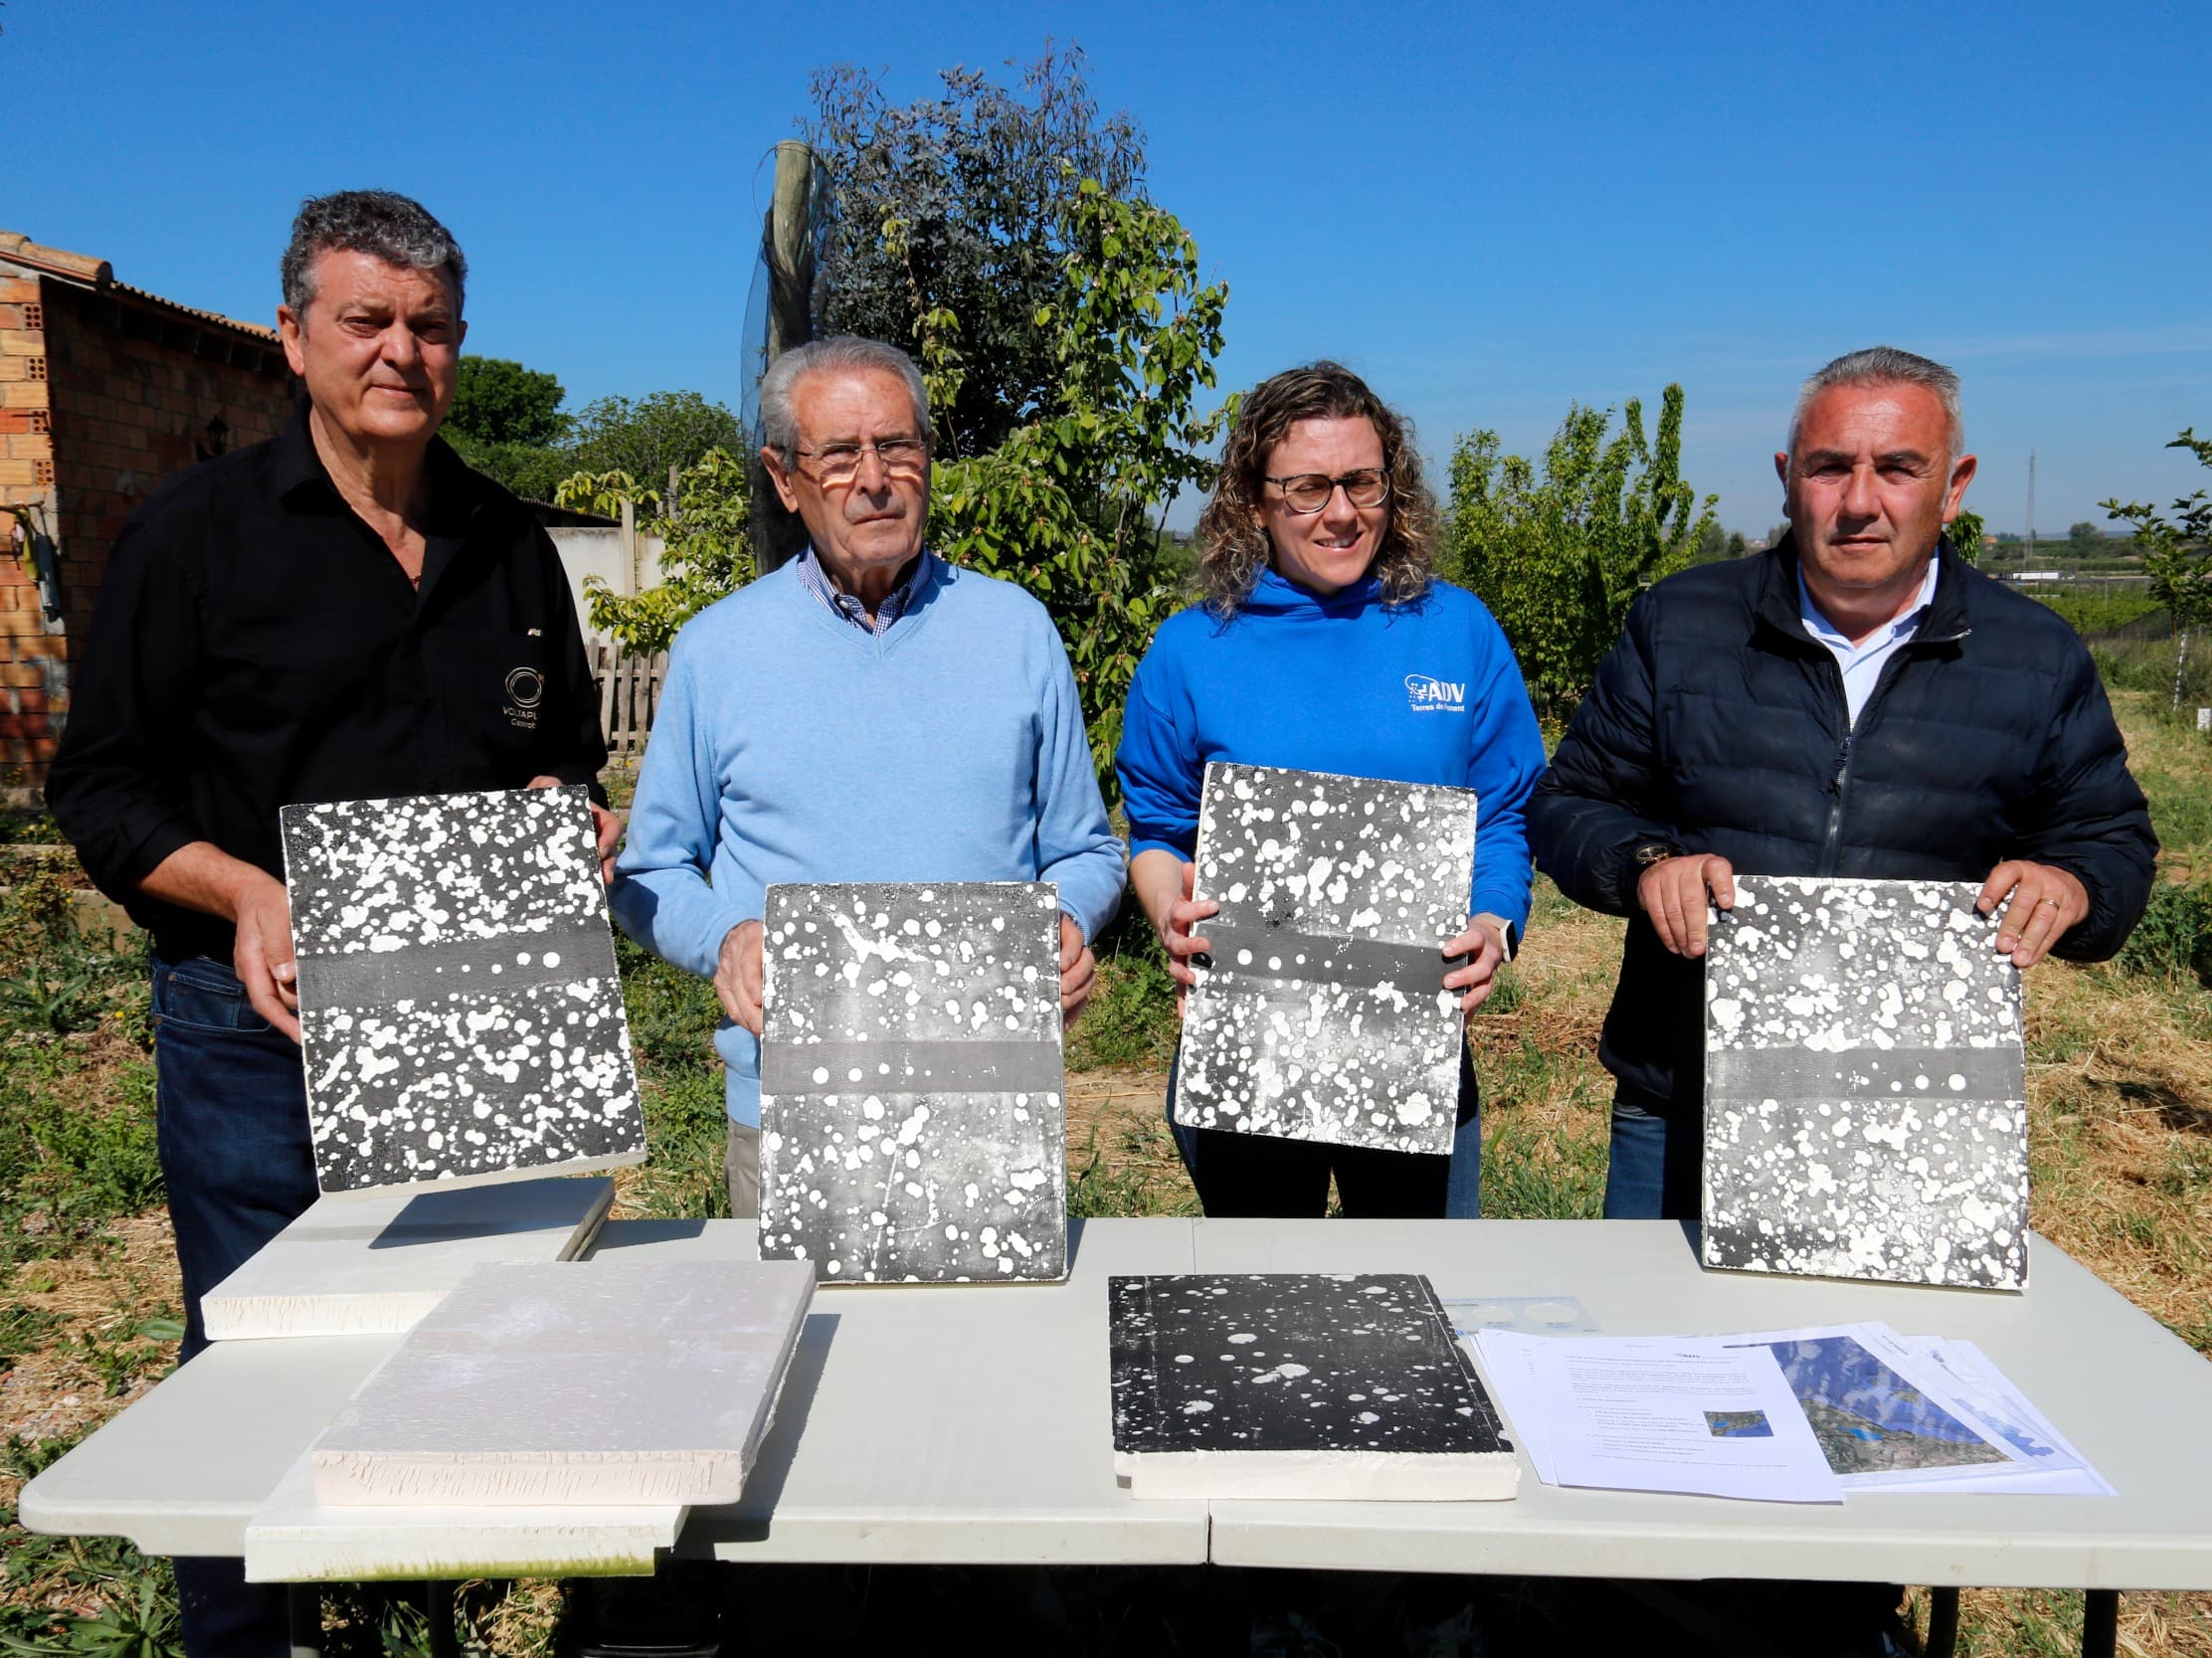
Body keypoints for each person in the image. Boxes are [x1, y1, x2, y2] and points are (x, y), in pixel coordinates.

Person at [45, 189, 615, 1658]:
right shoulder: (196, 537)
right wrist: (240, 888)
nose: (400, 353)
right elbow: (99, 785)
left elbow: (554, 751)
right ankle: (250, 1638)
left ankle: (427, 1607)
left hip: (473, 1029)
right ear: (296, 336)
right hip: (258, 1027)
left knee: (471, 1341)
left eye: (429, 325)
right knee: (256, 1350)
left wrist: (562, 816)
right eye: (366, 320)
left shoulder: (507, 541)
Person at [1529, 345, 2156, 1221]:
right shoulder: (1681, 624)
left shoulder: (2034, 656)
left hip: (1912, 1117)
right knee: (1661, 1351)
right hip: (1683, 1097)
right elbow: (1567, 804)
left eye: (1898, 468)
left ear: (1955, 483)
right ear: (1789, 479)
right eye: (1830, 468)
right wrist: (1643, 864)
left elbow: (2112, 840)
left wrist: (2074, 886)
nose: (1860, 501)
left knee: (1876, 1360)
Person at [611, 335, 1126, 1219]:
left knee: (992, 1359)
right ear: (784, 478)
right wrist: (726, 938)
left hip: (988, 1095)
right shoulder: (718, 649)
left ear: (929, 457)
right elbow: (650, 870)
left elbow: (1084, 848)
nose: (875, 478)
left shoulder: (1017, 630)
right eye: (840, 455)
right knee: (798, 1354)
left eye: (898, 446)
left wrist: (1067, 920)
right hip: (788, 1107)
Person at [1115, 361, 1545, 1218]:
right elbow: (1158, 827)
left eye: (1362, 482)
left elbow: (1503, 810)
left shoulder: (1457, 629)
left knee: (1420, 1299)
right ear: (1254, 498)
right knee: (1261, 1306)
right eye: (1309, 487)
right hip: (1249, 1039)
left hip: (1413, 1043)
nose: (1341, 512)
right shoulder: (1192, 649)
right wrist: (1171, 907)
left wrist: (1495, 921)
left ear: (1396, 486)